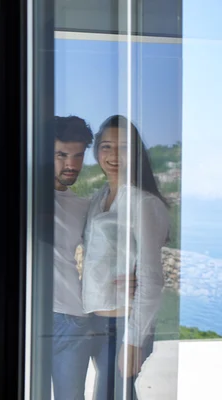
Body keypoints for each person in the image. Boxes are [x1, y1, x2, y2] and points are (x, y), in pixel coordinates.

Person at [81, 115, 170, 400]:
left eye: (123, 147)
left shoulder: (143, 203)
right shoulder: (98, 197)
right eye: (106, 146)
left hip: (124, 326)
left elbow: (152, 279)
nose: (113, 155)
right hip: (96, 323)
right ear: (96, 152)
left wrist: (133, 341)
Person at [49, 116, 94, 400]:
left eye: (78, 155)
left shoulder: (82, 206)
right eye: (62, 155)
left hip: (71, 320)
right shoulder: (15, 192)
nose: (72, 164)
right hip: (25, 317)